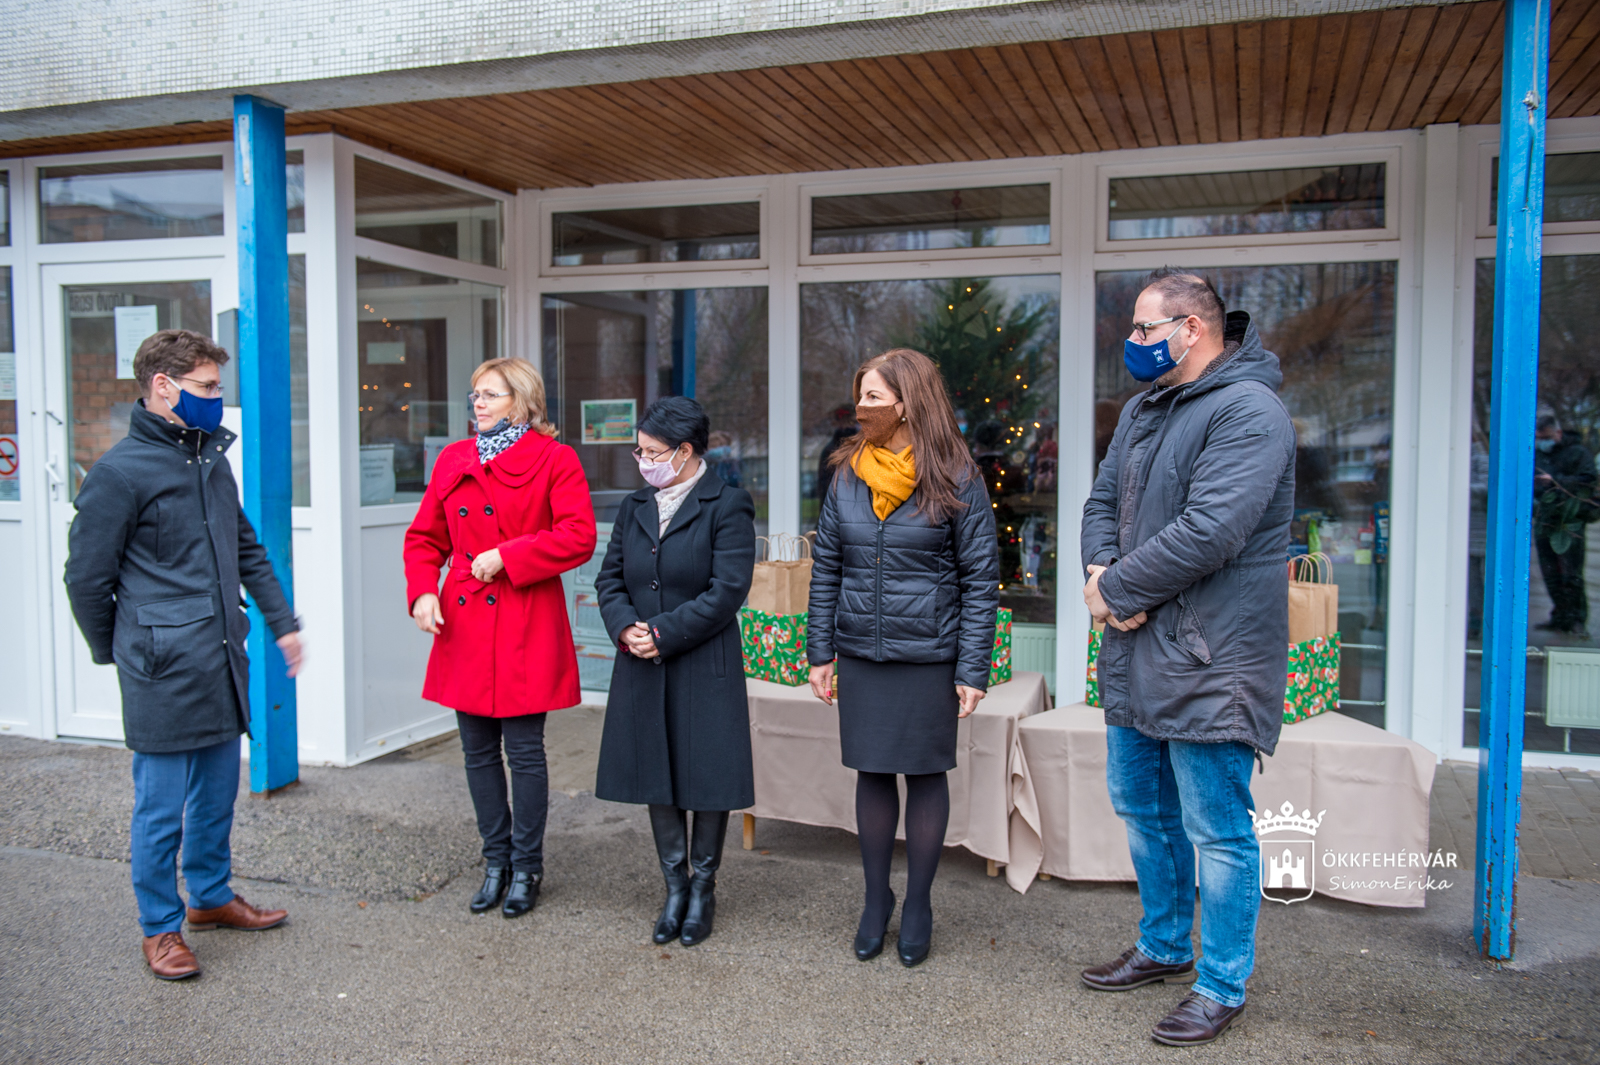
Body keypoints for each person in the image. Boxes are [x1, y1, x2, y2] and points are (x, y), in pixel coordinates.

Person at [1079, 268, 1295, 1047]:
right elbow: (1100, 502)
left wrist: (1116, 590)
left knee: (1217, 829)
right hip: (1137, 646)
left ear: (1192, 328)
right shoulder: (1143, 409)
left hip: (1214, 658)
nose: (1133, 342)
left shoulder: (1250, 410)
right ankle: (1165, 944)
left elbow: (1212, 530)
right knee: (1141, 806)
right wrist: (1103, 574)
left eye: (1144, 329)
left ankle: (1221, 981)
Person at [64, 329, 303, 981]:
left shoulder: (208, 460)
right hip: (159, 669)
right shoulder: (118, 474)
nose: (217, 398)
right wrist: (120, 647)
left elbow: (246, 548)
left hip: (219, 660)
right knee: (160, 810)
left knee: (217, 796)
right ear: (163, 387)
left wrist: (282, 623)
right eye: (207, 386)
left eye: (218, 386)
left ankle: (211, 896)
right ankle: (160, 927)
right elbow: (86, 579)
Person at [806, 347, 999, 968]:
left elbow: (980, 578)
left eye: (874, 398)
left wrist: (973, 668)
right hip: (862, 652)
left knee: (924, 776)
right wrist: (819, 651)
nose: (861, 408)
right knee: (871, 773)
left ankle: (918, 903)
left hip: (929, 655)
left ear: (908, 403)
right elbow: (827, 566)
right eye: (859, 396)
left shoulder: (957, 474)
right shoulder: (847, 473)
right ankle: (875, 899)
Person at [403, 358, 597, 919]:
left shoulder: (555, 459)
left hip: (524, 617)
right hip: (464, 619)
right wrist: (423, 592)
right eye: (475, 395)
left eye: (490, 394)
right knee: (477, 751)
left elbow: (579, 535)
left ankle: (527, 866)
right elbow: (424, 538)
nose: (478, 404)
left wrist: (508, 556)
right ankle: (495, 862)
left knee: (524, 752)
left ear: (523, 401)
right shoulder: (454, 458)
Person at [593, 396, 756, 947]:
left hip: (702, 661)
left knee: (707, 777)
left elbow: (727, 590)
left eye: (651, 452)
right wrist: (625, 628)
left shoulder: (727, 504)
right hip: (641, 663)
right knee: (654, 772)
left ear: (684, 452)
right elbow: (609, 579)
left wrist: (660, 633)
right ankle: (675, 886)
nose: (642, 461)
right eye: (638, 451)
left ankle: (703, 888)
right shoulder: (634, 505)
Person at [1533, 408, 1595, 637]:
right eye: (1539, 438)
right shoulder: (1539, 454)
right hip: (1545, 519)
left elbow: (1587, 482)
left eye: (1546, 438)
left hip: (1569, 521)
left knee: (1571, 573)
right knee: (1550, 572)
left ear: (1558, 433)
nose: (1543, 443)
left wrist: (1556, 481)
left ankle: (1577, 620)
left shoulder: (1578, 453)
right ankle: (1560, 616)